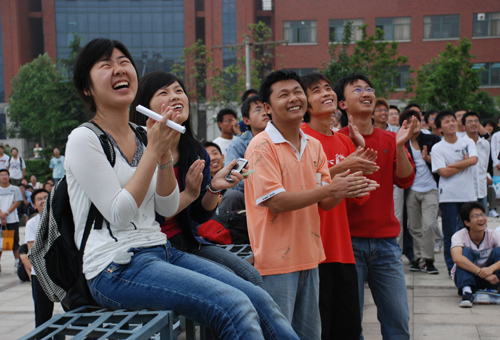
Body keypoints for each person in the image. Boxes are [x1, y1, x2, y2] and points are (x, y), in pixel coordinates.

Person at [69, 38, 298, 340]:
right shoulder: (84, 139)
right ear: (87, 86)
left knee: (260, 299)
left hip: (161, 251)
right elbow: (119, 214)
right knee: (235, 305)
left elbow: (164, 208)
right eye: (106, 65)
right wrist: (154, 152)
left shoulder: (142, 133)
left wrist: (163, 157)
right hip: (115, 267)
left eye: (124, 62)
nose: (119, 70)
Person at [245, 69, 376, 339]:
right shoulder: (261, 146)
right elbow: (276, 202)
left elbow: (325, 203)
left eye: (297, 93)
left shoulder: (312, 145)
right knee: (279, 335)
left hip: (311, 257)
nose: (294, 99)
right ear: (267, 107)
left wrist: (345, 189)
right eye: (284, 95)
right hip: (277, 264)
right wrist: (332, 187)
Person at [129, 70, 262, 287]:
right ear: (145, 106)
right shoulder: (136, 151)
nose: (175, 96)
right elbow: (151, 212)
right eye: (163, 93)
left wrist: (214, 188)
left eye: (179, 91)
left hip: (187, 241)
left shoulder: (196, 152)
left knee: (251, 276)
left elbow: (199, 216)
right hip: (150, 248)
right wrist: (189, 194)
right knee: (229, 290)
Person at [336, 74, 416, 340]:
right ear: (342, 103)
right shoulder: (336, 141)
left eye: (369, 88)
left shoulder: (390, 139)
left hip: (386, 243)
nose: (366, 93)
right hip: (347, 243)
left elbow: (404, 180)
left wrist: (400, 144)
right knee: (350, 322)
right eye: (357, 89)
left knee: (398, 320)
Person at [300, 72, 379, 340]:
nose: (326, 93)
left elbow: (358, 195)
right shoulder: (300, 138)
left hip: (342, 249)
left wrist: (360, 170)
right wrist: (342, 167)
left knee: (348, 328)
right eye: (316, 90)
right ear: (305, 104)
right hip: (311, 250)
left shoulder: (344, 141)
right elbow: (302, 188)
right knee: (319, 329)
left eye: (327, 88)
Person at [431, 110, 478, 274]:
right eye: (446, 122)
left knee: (471, 231)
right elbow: (443, 173)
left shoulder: (467, 142)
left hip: (468, 195)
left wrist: (454, 165)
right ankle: (452, 267)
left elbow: (474, 160)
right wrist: (464, 162)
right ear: (439, 129)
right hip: (448, 196)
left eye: (453, 120)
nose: (451, 123)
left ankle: (470, 263)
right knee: (450, 233)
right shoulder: (437, 148)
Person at [400, 110, 441, 274]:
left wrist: (428, 159)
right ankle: (418, 259)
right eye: (409, 121)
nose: (413, 124)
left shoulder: (432, 139)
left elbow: (440, 162)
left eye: (415, 121)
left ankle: (429, 260)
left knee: (429, 225)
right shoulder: (402, 143)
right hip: (411, 190)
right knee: (415, 227)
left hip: (430, 189)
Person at [219, 95, 269, 213]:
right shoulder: (239, 143)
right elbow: (231, 180)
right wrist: (259, 183)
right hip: (248, 196)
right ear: (246, 120)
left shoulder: (281, 138)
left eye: (266, 108)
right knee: (232, 195)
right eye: (258, 109)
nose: (264, 113)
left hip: (278, 192)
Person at [451, 202, 500, 307]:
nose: (481, 219)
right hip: (467, 277)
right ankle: (467, 293)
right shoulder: (459, 236)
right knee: (465, 252)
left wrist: (491, 269)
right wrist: (481, 273)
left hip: (492, 278)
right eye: (475, 216)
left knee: (498, 251)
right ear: (467, 222)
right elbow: (456, 258)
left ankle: (495, 288)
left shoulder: (493, 234)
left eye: (482, 214)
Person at [24, 188, 53, 327]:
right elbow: (32, 251)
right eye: (39, 199)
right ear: (34, 205)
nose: (43, 201)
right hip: (40, 274)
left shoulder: (61, 218)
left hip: (62, 272)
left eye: (46, 197)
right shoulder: (32, 223)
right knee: (43, 317)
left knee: (73, 311)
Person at [463, 112, 490, 213]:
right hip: (465, 192)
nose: (474, 123)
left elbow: (485, 167)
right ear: (463, 126)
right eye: (470, 121)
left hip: (482, 190)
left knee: (481, 223)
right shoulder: (460, 144)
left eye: (476, 121)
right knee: (463, 225)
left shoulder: (485, 144)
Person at [0, 169, 23, 271]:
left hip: (12, 219)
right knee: (0, 243)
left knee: (14, 242)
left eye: (6, 174)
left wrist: (6, 214)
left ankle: (17, 263)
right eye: (1, 175)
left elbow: (17, 202)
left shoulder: (15, 189)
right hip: (1, 220)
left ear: (9, 176)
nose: (4, 177)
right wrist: (1, 216)